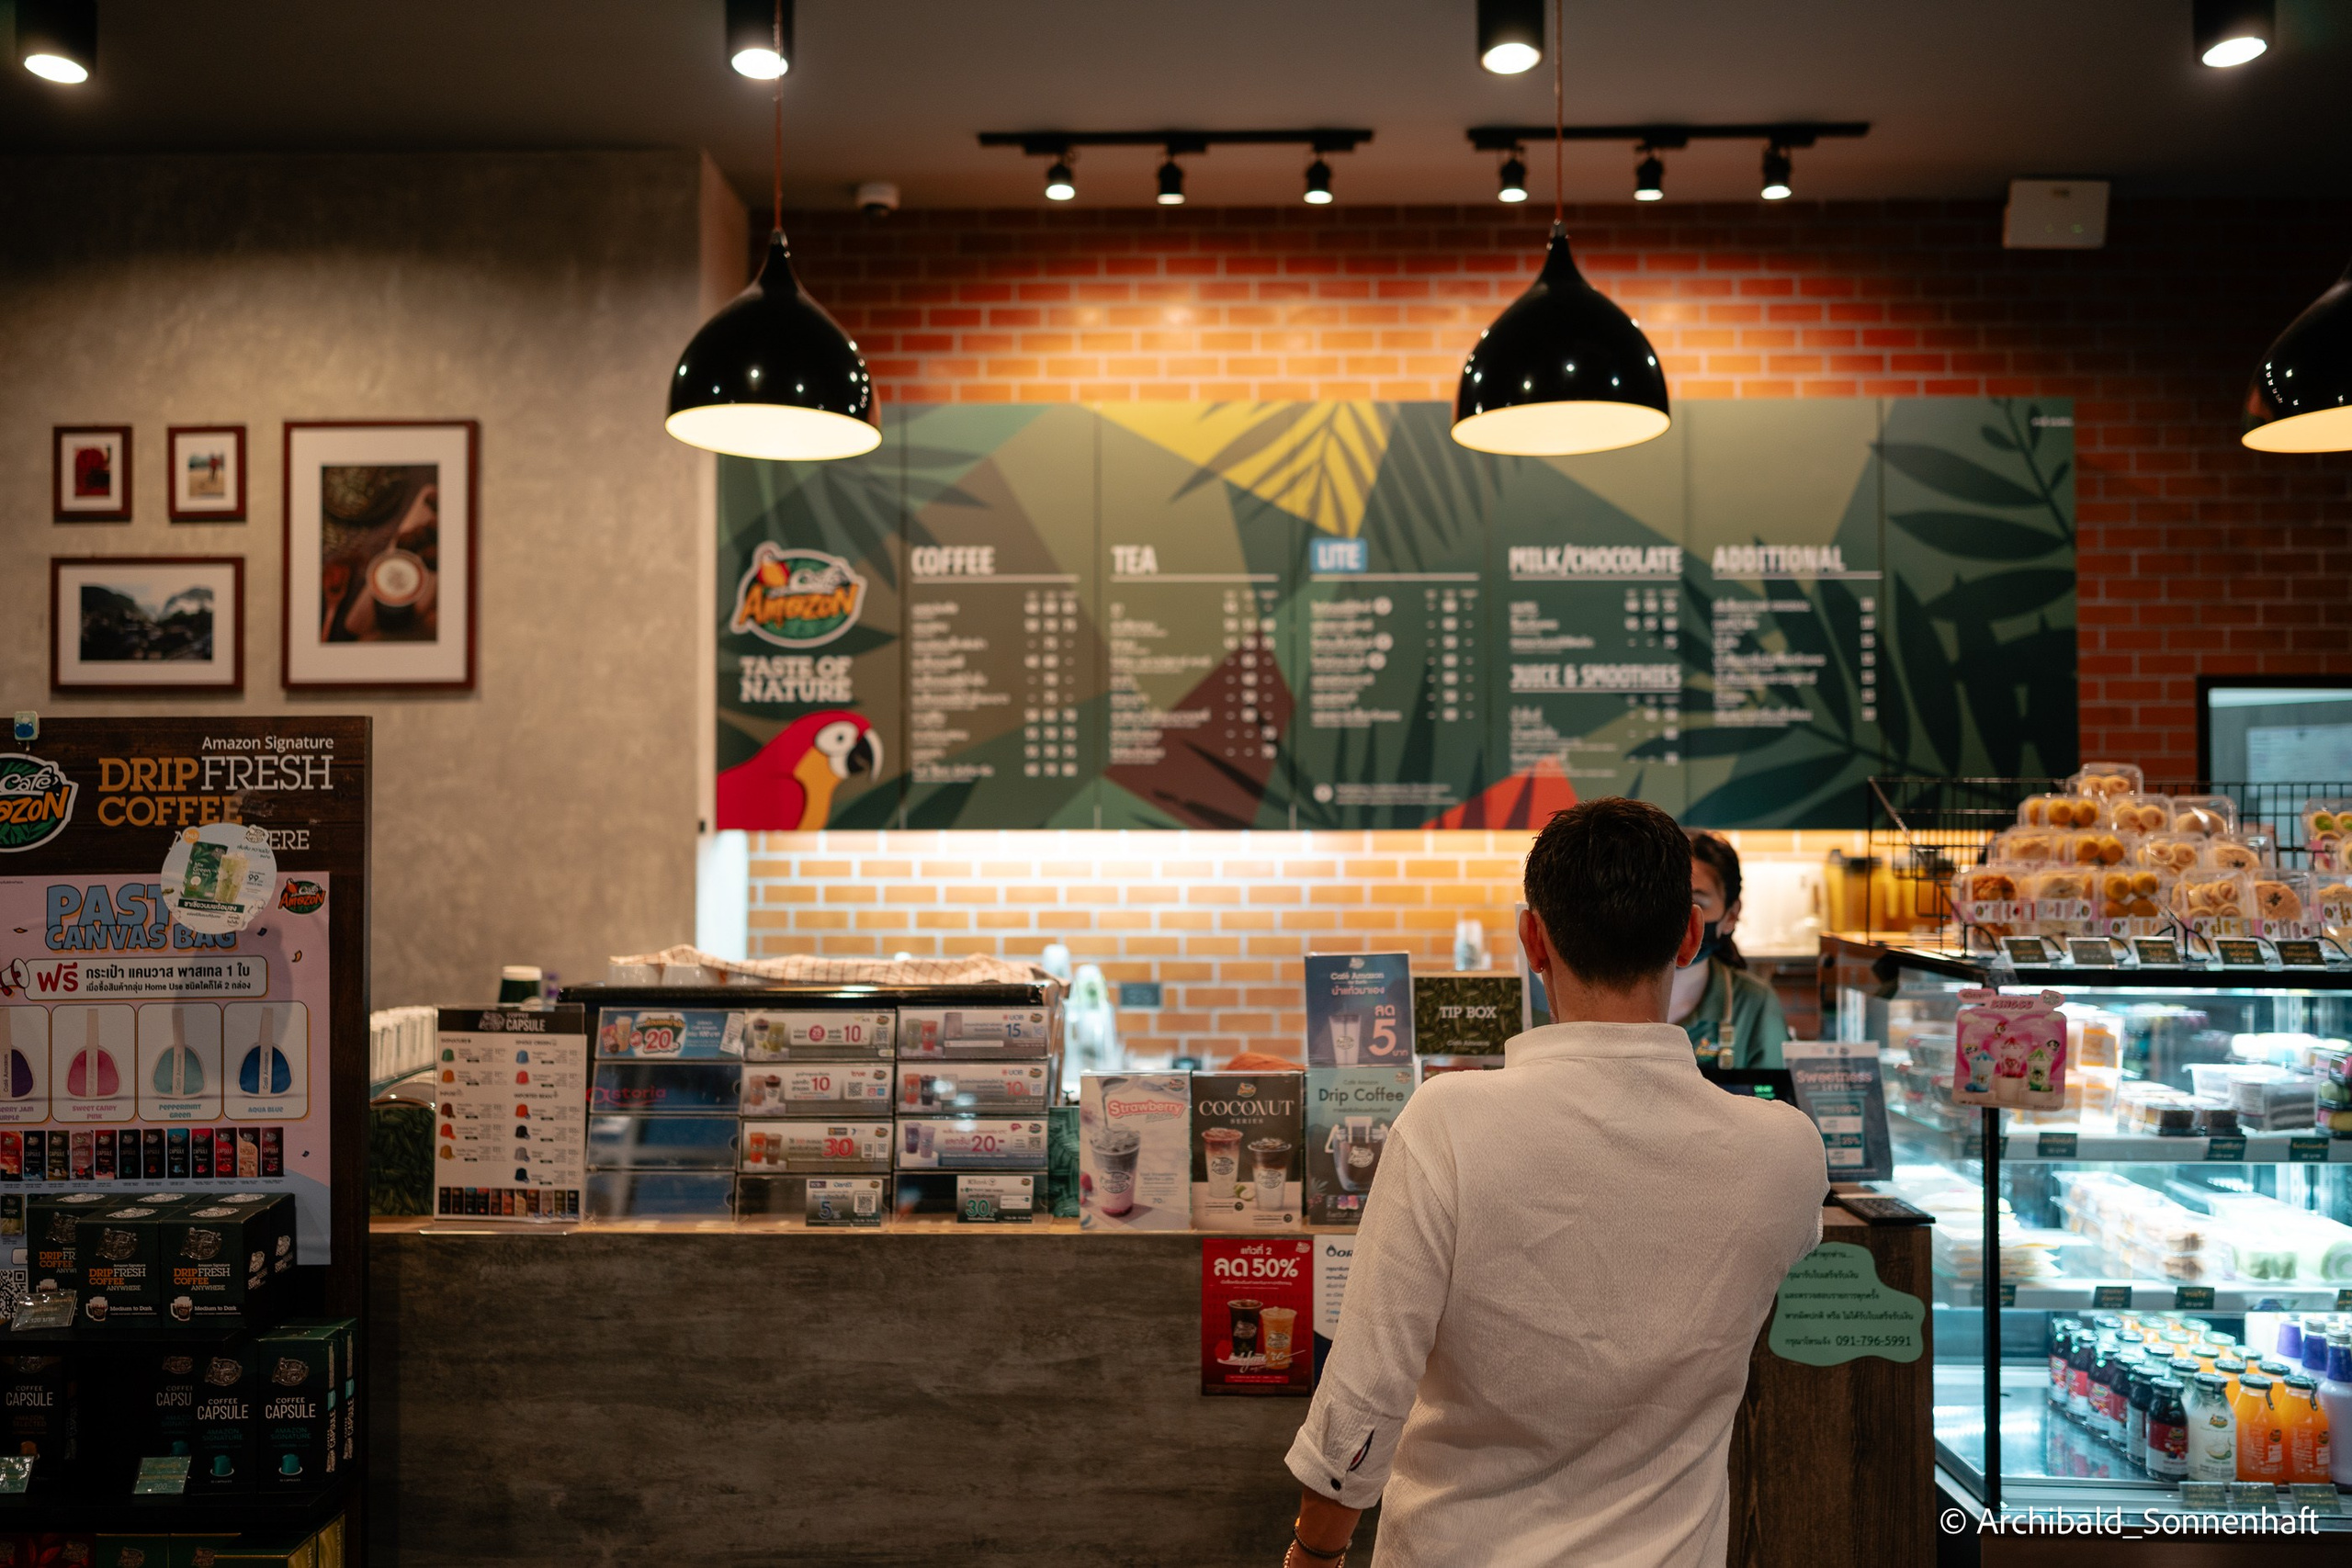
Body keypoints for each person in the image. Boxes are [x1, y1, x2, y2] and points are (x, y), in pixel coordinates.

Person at [1278, 797, 1827, 1568]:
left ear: (1533, 939)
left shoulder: (1447, 1123)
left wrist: (1316, 1552)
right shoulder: (1786, 1152)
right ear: (1690, 936)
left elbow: (1365, 1393)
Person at [1669, 829, 1790, 1069]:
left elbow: (1772, 1102)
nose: (1680, 915)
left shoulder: (1753, 1002)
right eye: (1667, 898)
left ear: (1731, 916)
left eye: (1697, 903)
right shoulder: (1608, 992)